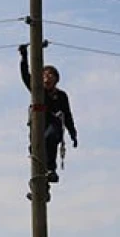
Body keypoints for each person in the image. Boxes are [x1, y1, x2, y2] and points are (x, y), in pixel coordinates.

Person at [19, 43, 78, 185]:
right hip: (38, 125)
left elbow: (67, 115)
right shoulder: (38, 91)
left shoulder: (61, 95)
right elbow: (26, 76)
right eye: (45, 75)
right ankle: (41, 187)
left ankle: (51, 170)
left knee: (49, 139)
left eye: (51, 75)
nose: (48, 77)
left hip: (53, 125)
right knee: (36, 150)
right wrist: (24, 57)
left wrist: (73, 134)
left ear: (56, 79)